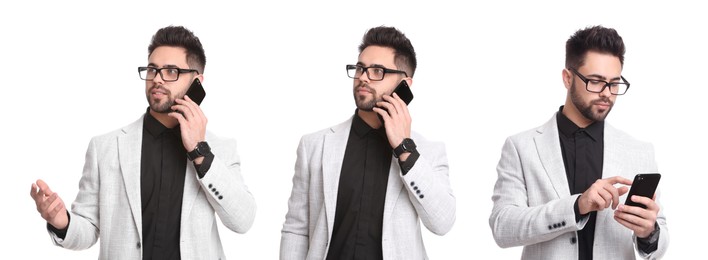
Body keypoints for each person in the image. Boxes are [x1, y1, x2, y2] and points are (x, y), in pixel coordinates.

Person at [29, 25, 256, 259]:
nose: (157, 79)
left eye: (171, 71)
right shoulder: (105, 148)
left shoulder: (219, 149)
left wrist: (200, 152)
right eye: (152, 69)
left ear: (197, 81)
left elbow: (243, 220)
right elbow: (89, 230)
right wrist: (61, 222)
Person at [489, 25, 669, 259]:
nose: (607, 93)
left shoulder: (639, 151)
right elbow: (503, 227)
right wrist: (576, 207)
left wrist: (649, 232)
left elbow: (660, 236)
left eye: (614, 83)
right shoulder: (521, 147)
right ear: (567, 78)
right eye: (596, 81)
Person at [280, 26, 456, 260]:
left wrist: (405, 148)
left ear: (405, 84)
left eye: (377, 71)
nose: (363, 77)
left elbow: (442, 222)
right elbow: (296, 229)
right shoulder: (315, 145)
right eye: (360, 68)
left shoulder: (428, 152)